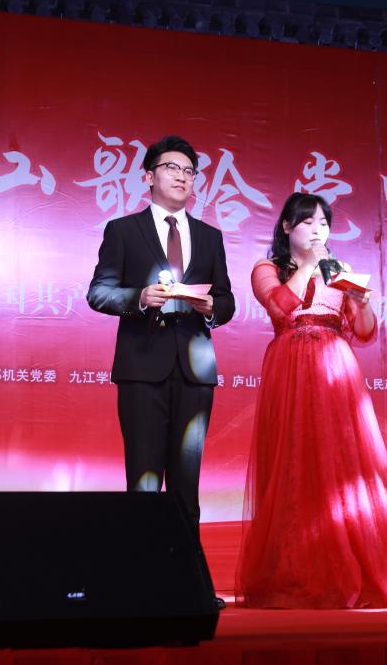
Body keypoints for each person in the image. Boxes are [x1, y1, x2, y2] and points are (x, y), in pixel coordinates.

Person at [236, 192, 387, 609]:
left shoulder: (341, 271)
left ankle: (359, 563)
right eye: (308, 222)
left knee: (342, 464)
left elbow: (364, 331)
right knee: (294, 462)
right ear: (286, 227)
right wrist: (309, 265)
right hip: (290, 365)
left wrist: (362, 303)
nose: (318, 230)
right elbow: (280, 307)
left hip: (335, 368)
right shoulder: (268, 268)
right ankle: (295, 569)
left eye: (324, 223)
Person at [86, 135, 235, 534]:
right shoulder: (123, 230)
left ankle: (188, 570)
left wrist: (212, 307)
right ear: (150, 177)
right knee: (144, 478)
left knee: (187, 483)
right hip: (142, 367)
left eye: (189, 171)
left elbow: (226, 299)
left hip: (195, 371)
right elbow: (98, 292)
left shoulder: (210, 236)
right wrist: (139, 297)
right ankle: (143, 567)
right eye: (172, 168)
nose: (182, 177)